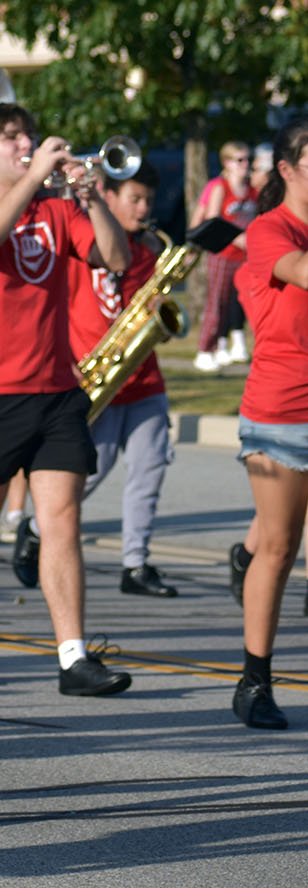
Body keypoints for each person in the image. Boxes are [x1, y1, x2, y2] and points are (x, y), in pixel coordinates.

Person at [0, 103, 134, 696]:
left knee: (62, 521)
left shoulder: (57, 210)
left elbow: (117, 259)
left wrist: (92, 198)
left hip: (56, 389)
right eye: (11, 137)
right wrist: (36, 176)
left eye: (29, 135)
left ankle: (73, 656)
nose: (26, 143)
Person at [22, 160, 179, 598]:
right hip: (95, 377)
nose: (144, 208)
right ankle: (35, 529)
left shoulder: (148, 250)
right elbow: (56, 306)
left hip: (144, 379)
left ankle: (136, 564)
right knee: (93, 469)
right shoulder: (80, 245)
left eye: (148, 199)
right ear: (107, 197)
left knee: (150, 469)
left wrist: (157, 314)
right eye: (135, 199)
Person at [229, 117, 308, 729]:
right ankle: (255, 682)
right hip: (281, 412)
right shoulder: (267, 229)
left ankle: (244, 554)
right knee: (280, 548)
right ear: (287, 168)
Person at [191, 140, 257, 371]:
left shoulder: (251, 189)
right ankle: (204, 350)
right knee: (216, 303)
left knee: (237, 304)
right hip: (224, 254)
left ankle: (224, 346)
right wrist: (239, 239)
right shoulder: (221, 187)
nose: (245, 165)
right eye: (240, 160)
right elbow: (213, 223)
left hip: (246, 258)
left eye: (248, 159)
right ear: (227, 163)